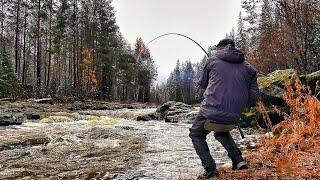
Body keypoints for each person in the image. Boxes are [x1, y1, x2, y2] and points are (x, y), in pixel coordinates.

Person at [189, 38, 259, 179]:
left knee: (196, 134)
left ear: (221, 47)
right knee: (221, 132)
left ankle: (210, 170)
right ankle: (238, 160)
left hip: (211, 109)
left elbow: (203, 84)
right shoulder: (249, 68)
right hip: (234, 114)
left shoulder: (212, 61)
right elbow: (253, 97)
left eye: (216, 48)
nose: (215, 51)